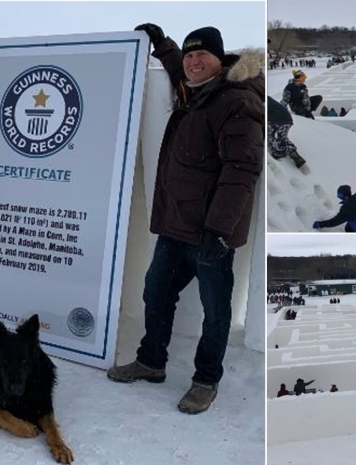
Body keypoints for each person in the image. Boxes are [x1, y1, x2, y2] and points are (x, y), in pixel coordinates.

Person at [107, 24, 264, 415]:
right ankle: (151, 362)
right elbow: (182, 71)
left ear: (220, 60)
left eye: (202, 55)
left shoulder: (236, 100)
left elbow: (242, 168)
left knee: (216, 312)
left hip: (211, 234)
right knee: (156, 292)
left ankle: (205, 380)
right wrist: (165, 46)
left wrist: (219, 230)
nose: (194, 62)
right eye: (191, 55)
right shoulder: (196, 89)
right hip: (175, 225)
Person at [268, 96, 308, 172]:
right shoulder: (267, 99)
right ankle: (294, 154)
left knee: (269, 135)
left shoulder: (260, 100)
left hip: (276, 119)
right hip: (287, 119)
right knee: (283, 138)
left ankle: (277, 152)